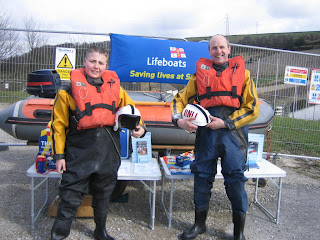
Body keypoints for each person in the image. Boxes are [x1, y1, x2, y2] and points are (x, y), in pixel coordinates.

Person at [50, 46, 147, 240]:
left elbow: (132, 110)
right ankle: (58, 235)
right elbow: (58, 125)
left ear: (106, 65)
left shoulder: (116, 88)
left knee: (103, 194)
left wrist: (141, 128)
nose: (96, 66)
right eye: (92, 61)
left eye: (101, 63)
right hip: (79, 152)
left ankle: (100, 231)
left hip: (107, 151)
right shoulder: (67, 91)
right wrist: (59, 156)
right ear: (84, 62)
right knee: (69, 195)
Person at [171, 35, 259, 240]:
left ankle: (239, 233)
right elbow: (180, 99)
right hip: (207, 134)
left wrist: (227, 123)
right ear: (209, 52)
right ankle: (199, 225)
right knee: (202, 176)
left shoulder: (244, 75)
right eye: (213, 48)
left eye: (221, 47)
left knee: (235, 179)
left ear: (229, 49)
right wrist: (179, 120)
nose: (218, 51)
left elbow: (252, 108)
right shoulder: (198, 76)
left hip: (233, 135)